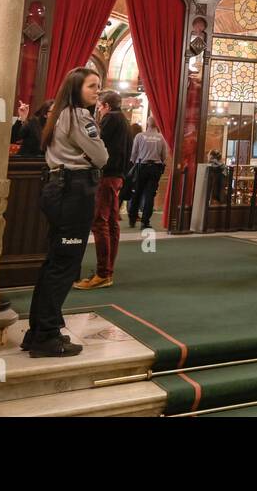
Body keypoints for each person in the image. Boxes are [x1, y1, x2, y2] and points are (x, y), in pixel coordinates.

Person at [24, 67, 108, 357]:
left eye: (99, 86)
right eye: (92, 86)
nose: (98, 91)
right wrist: (90, 154)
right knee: (65, 265)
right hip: (73, 190)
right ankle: (46, 335)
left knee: (54, 261)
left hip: (58, 187)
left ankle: (37, 329)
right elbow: (101, 156)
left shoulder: (59, 113)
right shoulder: (79, 116)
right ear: (76, 89)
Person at [74, 89, 131, 290]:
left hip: (107, 176)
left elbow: (96, 144)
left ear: (106, 106)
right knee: (112, 223)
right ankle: (107, 270)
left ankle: (103, 273)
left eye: (99, 107)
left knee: (100, 222)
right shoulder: (124, 120)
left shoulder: (110, 120)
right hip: (117, 176)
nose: (98, 110)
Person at [128, 116, 168, 230]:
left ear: (147, 123)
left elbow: (133, 154)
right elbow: (164, 156)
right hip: (155, 168)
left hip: (141, 166)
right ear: (157, 125)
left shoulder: (140, 136)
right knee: (150, 195)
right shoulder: (161, 138)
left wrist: (135, 164)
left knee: (137, 193)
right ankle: (145, 221)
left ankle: (132, 218)